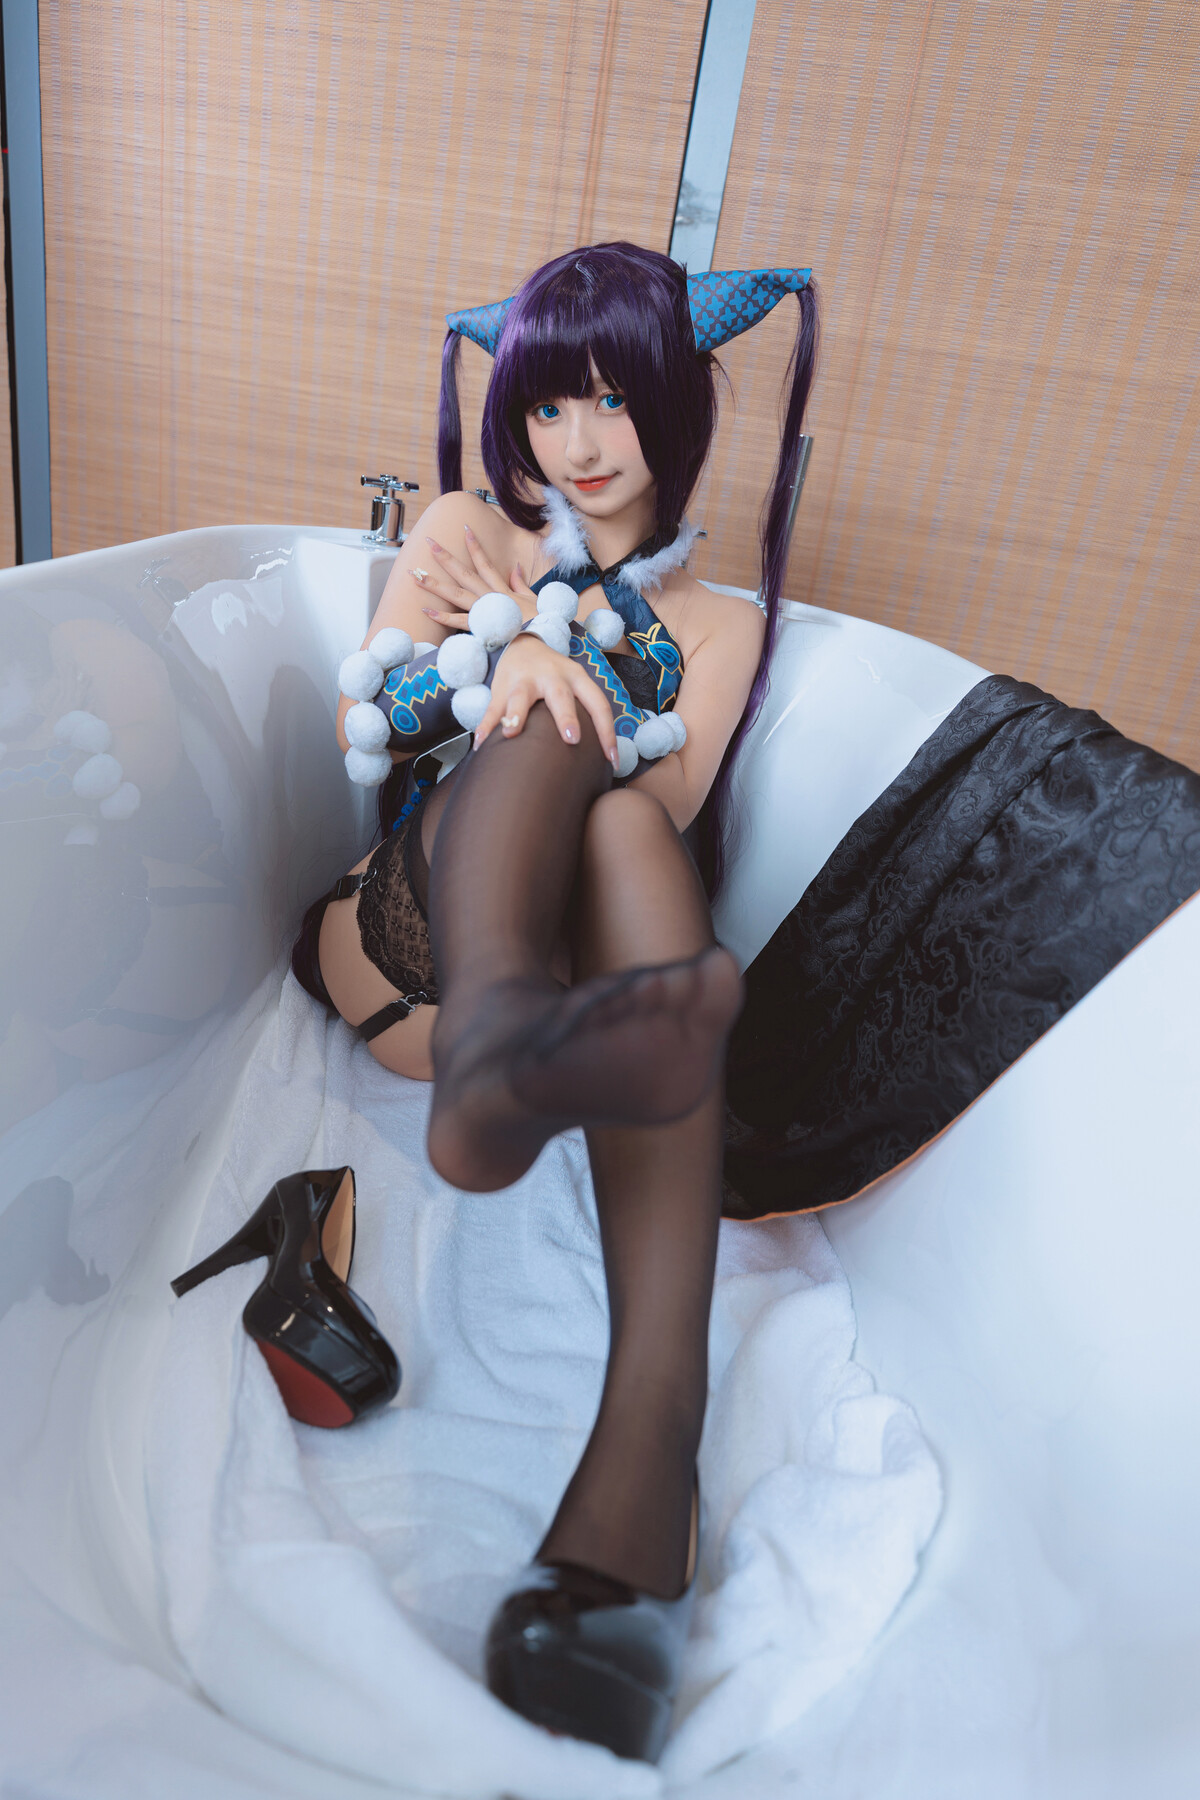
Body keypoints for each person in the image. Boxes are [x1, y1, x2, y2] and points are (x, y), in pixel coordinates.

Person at [293, 241, 818, 1760]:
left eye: (614, 400)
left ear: (677, 404)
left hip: (548, 990)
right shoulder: (468, 527)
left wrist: (564, 636)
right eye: (546, 405)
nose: (578, 444)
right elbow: (368, 729)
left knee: (628, 824)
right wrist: (518, 633)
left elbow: (658, 816)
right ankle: (500, 1037)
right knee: (543, 707)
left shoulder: (720, 624)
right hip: (402, 945)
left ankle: (642, 1470)